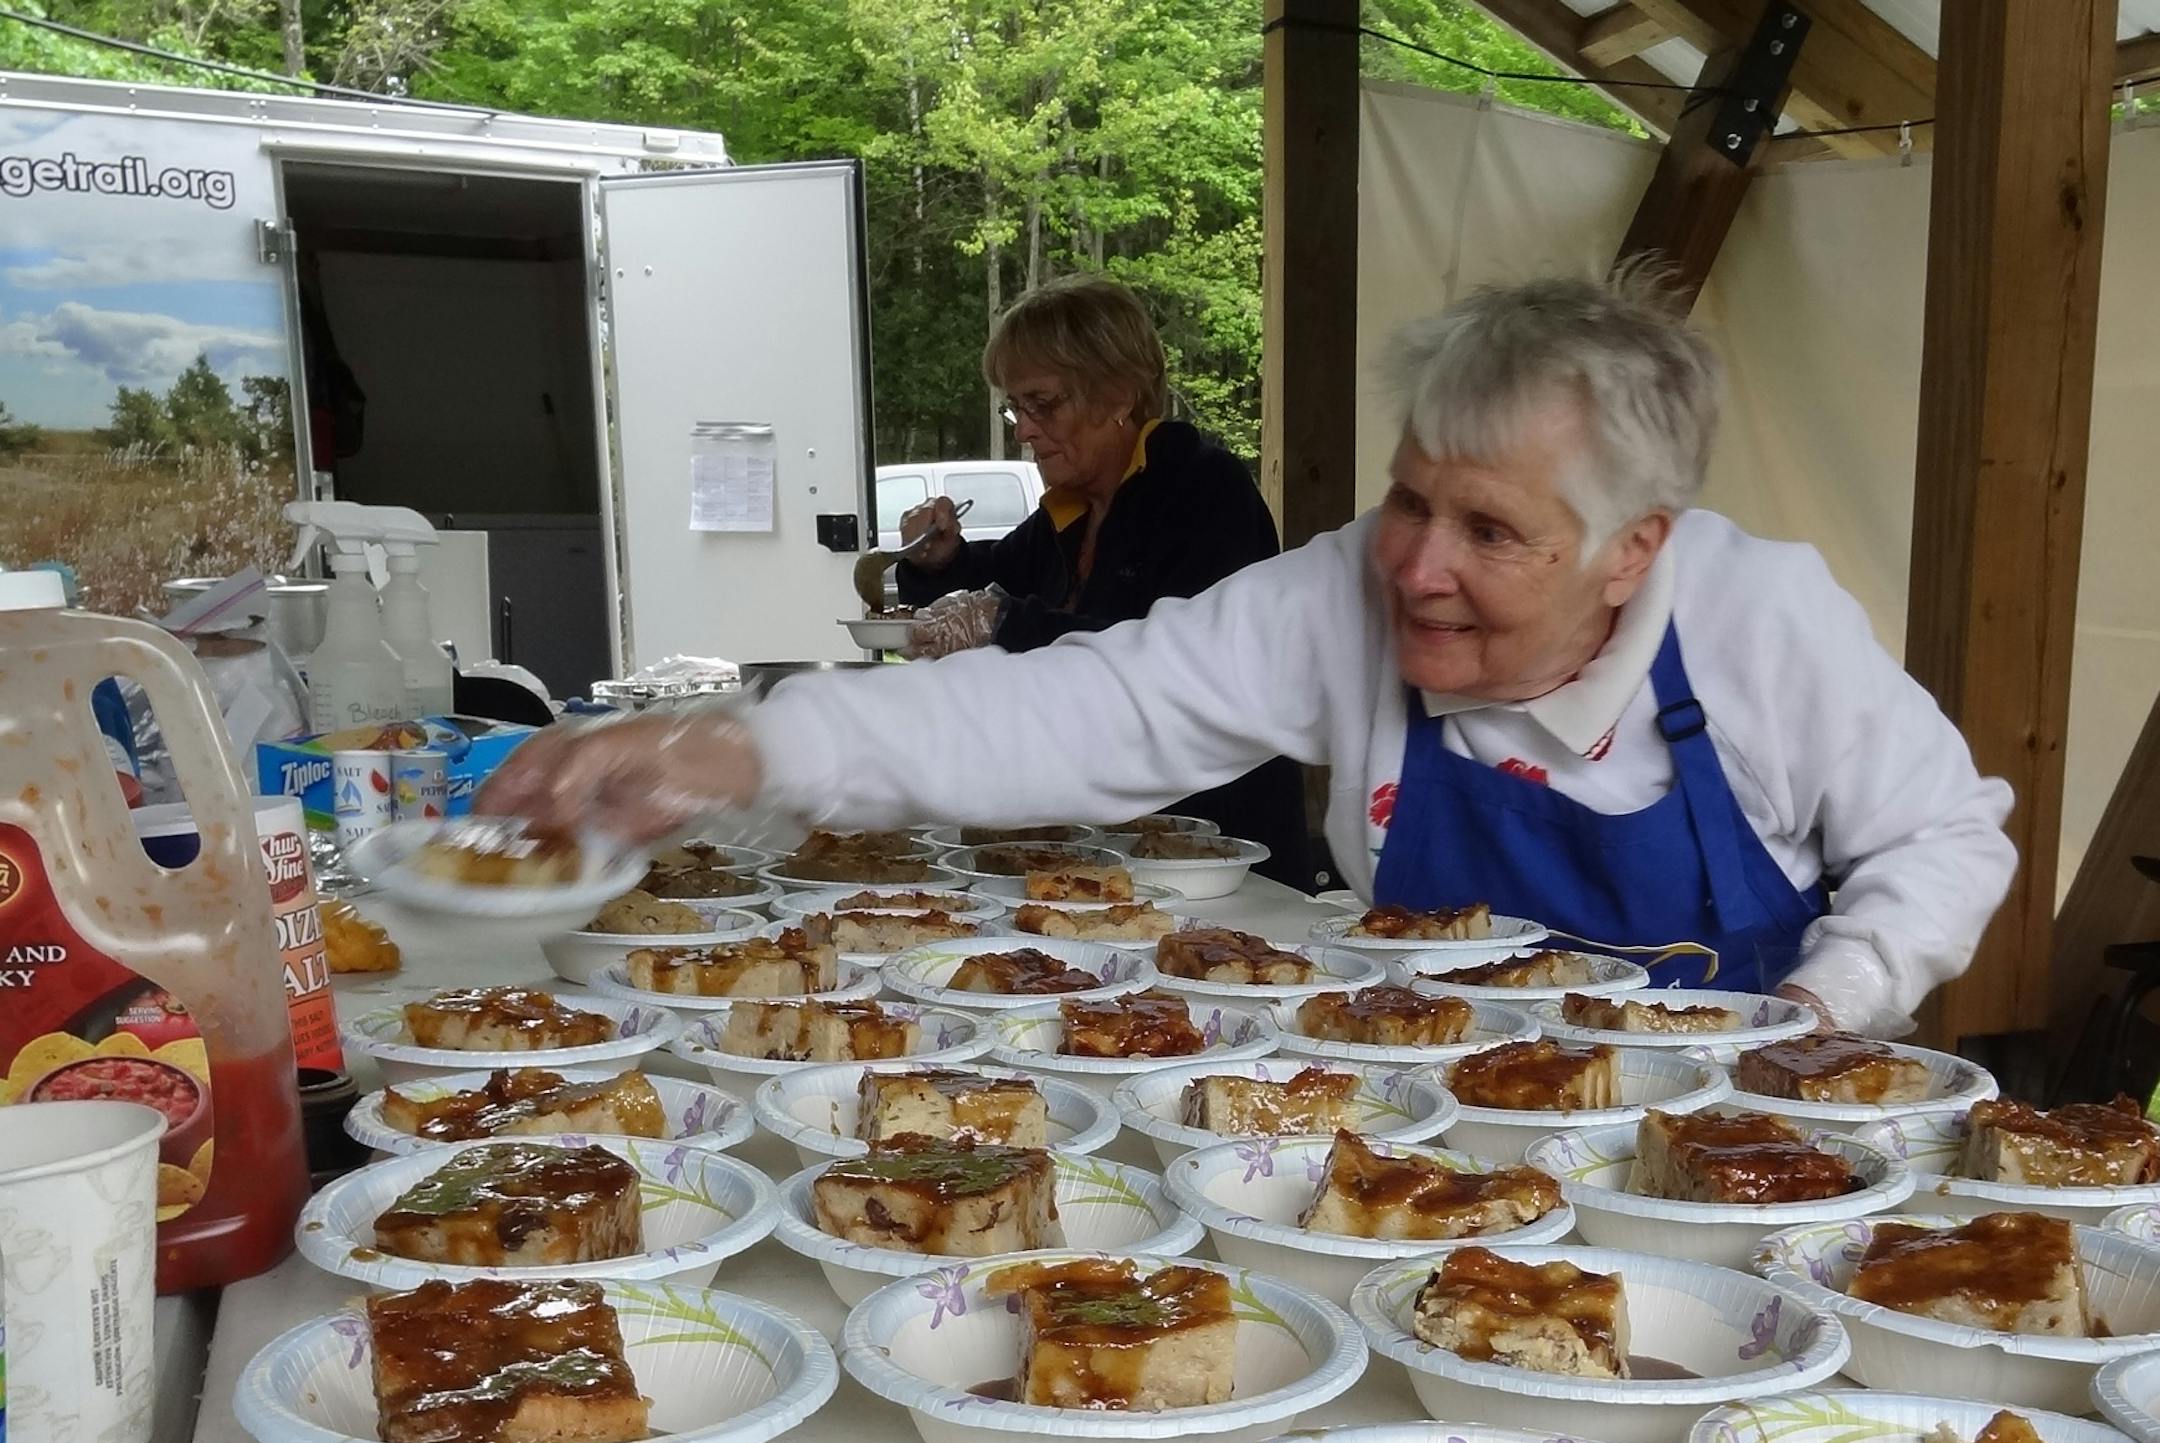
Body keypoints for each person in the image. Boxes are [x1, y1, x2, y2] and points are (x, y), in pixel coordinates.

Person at [485, 271, 2016, 1036]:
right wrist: (742, 747)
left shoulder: (1762, 616)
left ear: (1635, 546)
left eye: (1491, 532)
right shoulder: (1343, 590)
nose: (1415, 564)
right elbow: (1077, 712)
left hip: (1732, 1137)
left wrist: (1832, 1009)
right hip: (1429, 1127)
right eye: (1409, 498)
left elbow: (1943, 834)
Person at [891, 272, 1310, 883]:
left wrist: (1004, 626)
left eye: (1044, 403)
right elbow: (987, 582)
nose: (1023, 428)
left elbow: (1177, 667)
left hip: (1214, 862)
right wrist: (938, 561)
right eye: (1016, 405)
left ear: (1118, 393)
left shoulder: (1202, 490)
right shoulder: (1072, 509)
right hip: (1104, 853)